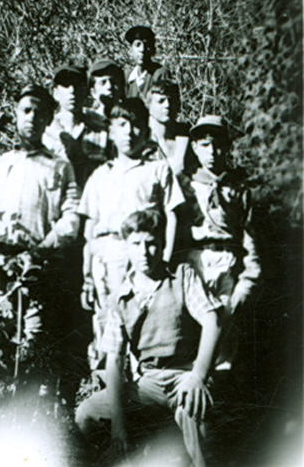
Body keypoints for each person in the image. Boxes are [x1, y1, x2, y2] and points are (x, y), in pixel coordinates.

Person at [75, 210, 221, 467]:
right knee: (87, 413)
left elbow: (213, 319)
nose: (144, 252)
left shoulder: (181, 276)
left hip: (184, 376)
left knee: (195, 416)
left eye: (151, 243)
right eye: (136, 244)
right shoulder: (121, 297)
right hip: (147, 383)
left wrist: (198, 375)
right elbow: (114, 361)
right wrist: (118, 425)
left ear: (162, 244)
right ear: (127, 247)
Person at [0, 83, 80, 371]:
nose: (32, 117)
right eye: (26, 110)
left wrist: (39, 252)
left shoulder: (60, 166)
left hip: (41, 273)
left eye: (39, 113)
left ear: (48, 119)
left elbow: (71, 219)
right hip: (0, 275)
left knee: (35, 355)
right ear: (16, 113)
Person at [78, 97, 184, 380]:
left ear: (146, 131)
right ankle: (106, 391)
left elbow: (172, 215)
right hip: (107, 257)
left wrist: (165, 258)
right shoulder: (100, 175)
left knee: (142, 320)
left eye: (136, 125)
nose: (129, 132)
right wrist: (87, 276)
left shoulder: (158, 169)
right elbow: (90, 229)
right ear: (111, 131)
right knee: (107, 324)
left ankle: (142, 389)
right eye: (122, 125)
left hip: (144, 256)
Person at [177, 115, 261, 371]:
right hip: (195, 261)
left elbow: (249, 238)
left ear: (228, 147)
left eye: (218, 145)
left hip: (227, 263)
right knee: (191, 331)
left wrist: (248, 279)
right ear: (194, 147)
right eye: (204, 145)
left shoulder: (238, 188)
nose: (212, 152)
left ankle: (218, 386)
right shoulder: (185, 184)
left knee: (225, 330)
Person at [43, 65, 110, 191]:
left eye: (77, 84)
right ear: (55, 93)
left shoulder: (102, 130)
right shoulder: (46, 132)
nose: (72, 90)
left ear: (85, 91)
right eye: (66, 85)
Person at [145, 67, 190, 174]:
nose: (167, 105)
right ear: (149, 105)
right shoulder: (142, 137)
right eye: (161, 101)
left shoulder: (185, 136)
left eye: (171, 100)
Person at [124, 25, 161, 99]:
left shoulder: (159, 74)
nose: (142, 49)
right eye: (138, 45)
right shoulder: (127, 77)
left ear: (153, 49)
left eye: (147, 45)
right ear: (130, 50)